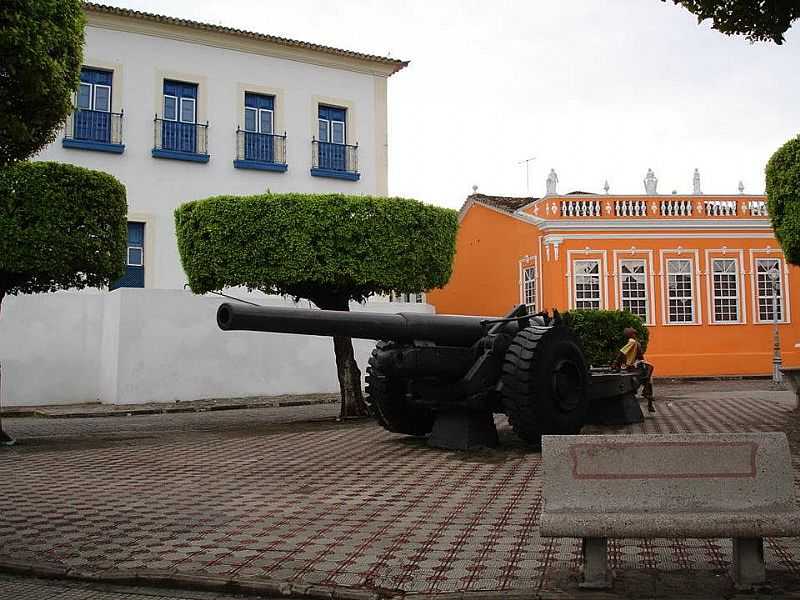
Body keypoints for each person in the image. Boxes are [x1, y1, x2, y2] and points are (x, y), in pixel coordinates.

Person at [612, 327, 655, 413]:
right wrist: (616, 362)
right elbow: (622, 352)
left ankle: (648, 397)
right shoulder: (632, 342)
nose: (635, 335)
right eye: (634, 333)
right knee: (650, 368)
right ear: (631, 335)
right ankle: (647, 394)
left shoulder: (635, 343)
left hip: (637, 362)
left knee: (649, 377)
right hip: (634, 363)